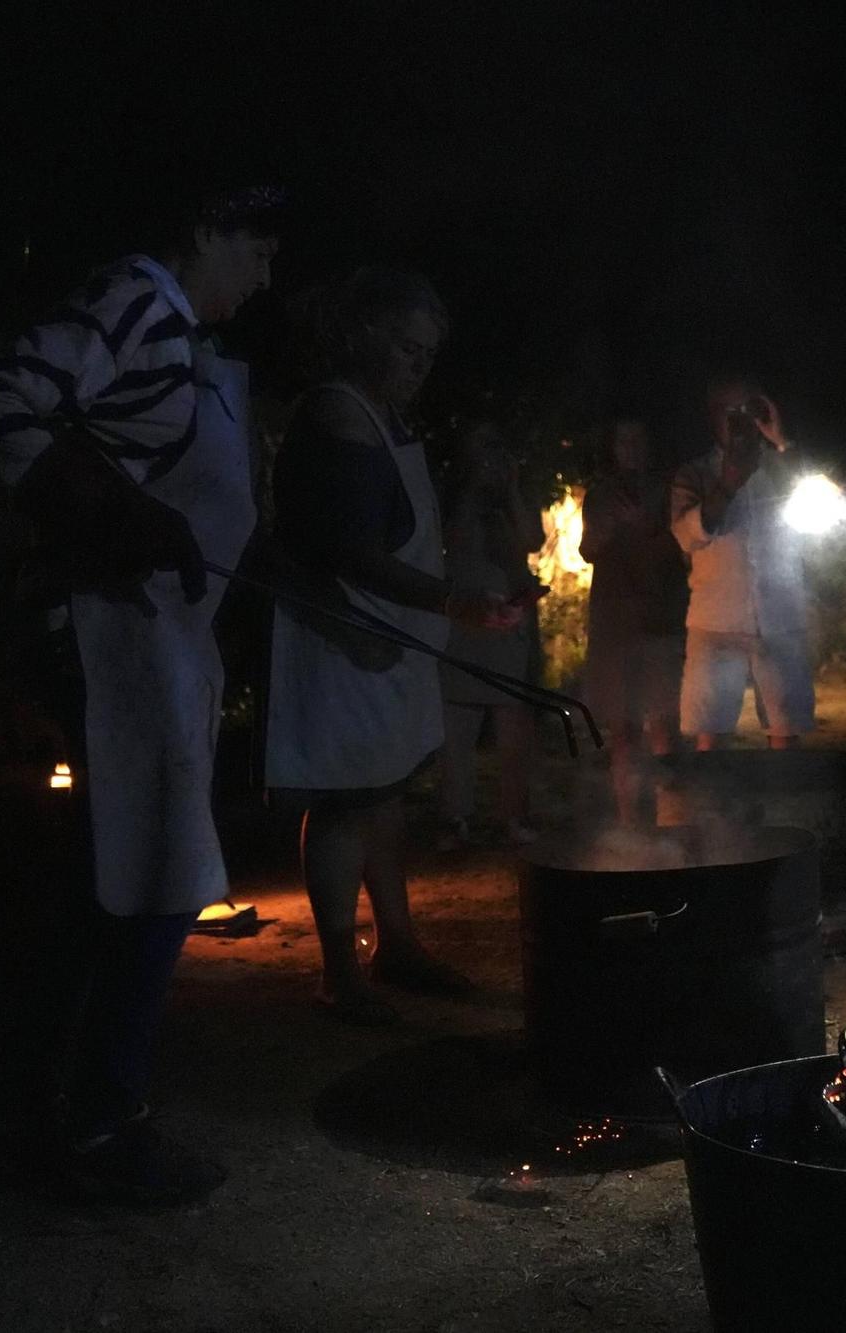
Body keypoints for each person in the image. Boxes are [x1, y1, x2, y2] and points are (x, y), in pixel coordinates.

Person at [0, 182, 284, 1203]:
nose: (265, 276)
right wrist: (112, 510)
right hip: (105, 640)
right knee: (146, 881)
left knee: (112, 892)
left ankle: (34, 1116)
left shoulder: (188, 344)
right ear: (204, 230)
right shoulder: (139, 299)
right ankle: (97, 1124)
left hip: (163, 645)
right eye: (256, 249)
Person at [265, 269, 517, 1026]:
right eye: (408, 347)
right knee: (349, 799)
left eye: (428, 352)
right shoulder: (339, 416)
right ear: (366, 335)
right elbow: (352, 551)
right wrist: (449, 599)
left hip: (391, 642)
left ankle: (396, 943)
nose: (418, 364)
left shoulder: (380, 414)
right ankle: (340, 972)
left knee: (386, 793)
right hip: (345, 636)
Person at [670, 376, 815, 751]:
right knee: (710, 735)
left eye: (747, 410)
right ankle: (709, 810)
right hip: (714, 622)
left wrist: (781, 440)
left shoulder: (781, 465)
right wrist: (730, 482)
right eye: (728, 412)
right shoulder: (695, 474)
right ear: (712, 417)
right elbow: (689, 536)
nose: (738, 420)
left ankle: (787, 809)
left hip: (780, 619)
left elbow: (816, 494)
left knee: (787, 734)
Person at [437, 423, 546, 845]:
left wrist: (511, 491)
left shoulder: (513, 500)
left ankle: (515, 815)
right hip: (463, 619)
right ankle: (454, 818)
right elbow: (446, 543)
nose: (488, 464)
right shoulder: (452, 499)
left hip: (509, 620)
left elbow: (532, 540)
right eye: (480, 455)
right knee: (456, 729)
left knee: (512, 725)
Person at [579, 412, 688, 823]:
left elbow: (680, 551)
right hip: (614, 626)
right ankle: (631, 826)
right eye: (623, 441)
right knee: (623, 731)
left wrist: (644, 527)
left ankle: (672, 819)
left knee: (664, 727)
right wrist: (610, 528)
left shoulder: (669, 490)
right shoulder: (600, 495)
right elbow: (588, 548)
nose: (631, 450)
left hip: (659, 621)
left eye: (637, 440)